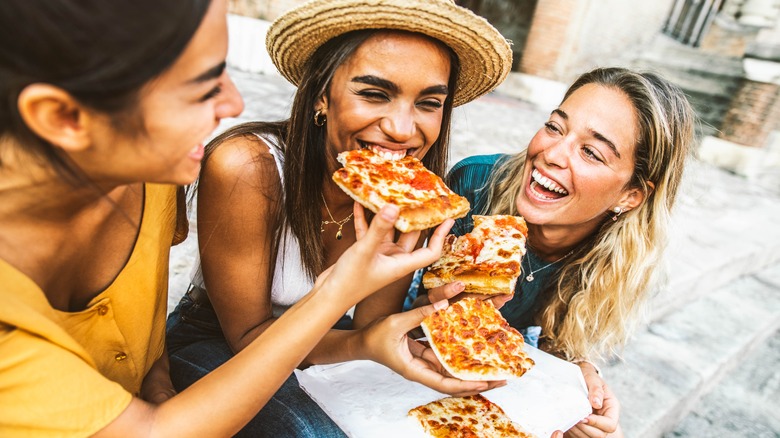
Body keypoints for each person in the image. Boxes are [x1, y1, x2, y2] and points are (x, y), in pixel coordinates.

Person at [0, 0, 459, 436]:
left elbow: (137, 322)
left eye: (429, 102)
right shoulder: (233, 166)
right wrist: (341, 295)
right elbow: (155, 428)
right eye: (202, 84)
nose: (237, 104)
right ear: (61, 116)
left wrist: (157, 382)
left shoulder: (153, 180)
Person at [165, 0, 513, 436]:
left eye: (428, 103)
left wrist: (442, 311)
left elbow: (370, 328)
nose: (403, 130)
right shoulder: (247, 166)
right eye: (374, 94)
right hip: (219, 341)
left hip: (332, 343)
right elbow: (249, 337)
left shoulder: (415, 199)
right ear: (321, 96)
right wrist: (364, 345)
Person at [412, 67, 696, 437]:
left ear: (630, 196)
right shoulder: (475, 183)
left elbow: (551, 340)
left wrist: (579, 376)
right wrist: (438, 302)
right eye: (554, 127)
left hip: (504, 365)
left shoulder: (622, 258)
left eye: (591, 152)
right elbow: (410, 305)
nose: (552, 154)